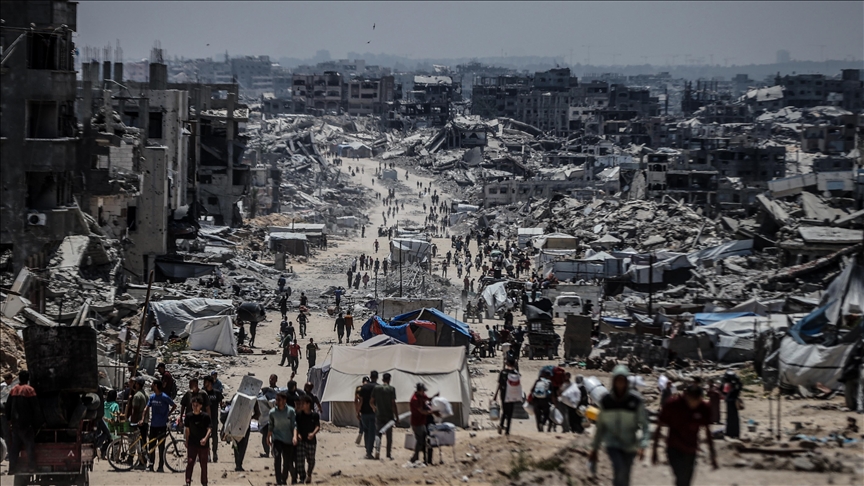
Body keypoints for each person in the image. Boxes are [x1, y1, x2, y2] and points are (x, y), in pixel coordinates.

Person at [589, 365, 650, 486]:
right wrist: (594, 448)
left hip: (630, 444)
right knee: (619, 468)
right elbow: (600, 426)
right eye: (618, 380)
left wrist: (643, 445)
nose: (620, 383)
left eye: (623, 380)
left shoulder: (635, 400)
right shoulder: (606, 401)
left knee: (625, 474)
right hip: (612, 443)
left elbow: (645, 424)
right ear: (613, 381)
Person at [652, 384, 718, 486]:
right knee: (680, 477)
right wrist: (654, 451)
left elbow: (707, 431)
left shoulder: (703, 408)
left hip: (691, 449)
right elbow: (659, 426)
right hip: (674, 447)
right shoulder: (673, 405)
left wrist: (712, 455)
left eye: (697, 400)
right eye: (692, 399)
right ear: (686, 396)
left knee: (686, 480)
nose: (694, 403)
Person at [5, 369, 38, 473]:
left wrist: (8, 420)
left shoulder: (13, 389)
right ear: (28, 379)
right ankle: (31, 467)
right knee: (29, 446)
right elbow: (35, 408)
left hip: (15, 424)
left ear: (19, 378)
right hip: (26, 424)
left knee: (15, 447)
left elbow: (7, 406)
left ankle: (12, 468)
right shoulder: (30, 390)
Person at [267, 391, 298, 486]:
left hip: (288, 439)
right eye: (276, 399)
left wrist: (295, 437)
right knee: (277, 458)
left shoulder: (291, 411)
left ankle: (284, 478)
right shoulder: (272, 412)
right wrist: (268, 437)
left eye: (279, 400)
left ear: (284, 400)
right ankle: (278, 480)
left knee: (287, 462)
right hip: (277, 439)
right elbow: (271, 426)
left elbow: (294, 425)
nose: (277, 401)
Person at [146, 380, 177, 472]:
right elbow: (147, 407)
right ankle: (151, 465)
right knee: (151, 446)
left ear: (156, 385)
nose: (151, 386)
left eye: (152, 384)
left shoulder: (164, 397)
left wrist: (168, 414)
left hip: (162, 425)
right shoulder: (152, 397)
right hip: (153, 425)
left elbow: (174, 405)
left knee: (161, 447)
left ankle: (160, 466)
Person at [184, 396, 211, 486]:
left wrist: (205, 438)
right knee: (190, 462)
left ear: (201, 406)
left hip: (203, 444)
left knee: (203, 464)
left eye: (197, 405)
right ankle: (188, 481)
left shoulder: (205, 417)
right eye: (193, 405)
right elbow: (187, 429)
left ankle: (204, 482)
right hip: (192, 443)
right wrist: (186, 441)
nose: (195, 407)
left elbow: (209, 429)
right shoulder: (189, 416)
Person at [371, 372, 398, 460]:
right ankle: (388, 454)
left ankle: (377, 450)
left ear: (382, 379)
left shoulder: (377, 388)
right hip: (389, 415)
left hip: (379, 415)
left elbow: (371, 401)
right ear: (389, 380)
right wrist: (397, 417)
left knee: (378, 434)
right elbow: (393, 404)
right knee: (389, 436)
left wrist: (374, 408)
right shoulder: (391, 389)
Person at [295, 395, 320, 484]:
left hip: (311, 441)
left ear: (308, 404)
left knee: (311, 460)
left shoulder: (314, 415)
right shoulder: (298, 415)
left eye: (303, 403)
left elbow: (317, 426)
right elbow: (296, 426)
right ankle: (302, 477)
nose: (301, 405)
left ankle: (309, 474)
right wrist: (297, 434)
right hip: (301, 441)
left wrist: (313, 433)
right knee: (300, 460)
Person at [409, 383, 435, 465]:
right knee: (420, 440)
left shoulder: (422, 396)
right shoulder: (415, 399)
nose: (424, 392)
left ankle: (423, 458)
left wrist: (434, 397)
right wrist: (431, 412)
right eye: (423, 391)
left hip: (422, 422)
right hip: (417, 422)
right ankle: (415, 457)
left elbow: (427, 399)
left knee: (423, 440)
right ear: (419, 390)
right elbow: (421, 411)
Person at [493, 359, 521, 435]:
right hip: (512, 394)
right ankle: (507, 430)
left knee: (505, 410)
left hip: (504, 393)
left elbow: (499, 384)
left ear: (507, 363)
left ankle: (501, 425)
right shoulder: (515, 373)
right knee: (510, 412)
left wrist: (495, 395)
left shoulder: (503, 372)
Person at [128, 377, 150, 469]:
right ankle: (143, 461)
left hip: (138, 422)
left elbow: (135, 411)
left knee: (134, 441)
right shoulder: (146, 394)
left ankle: (136, 460)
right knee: (143, 442)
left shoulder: (137, 396)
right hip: (145, 421)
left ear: (137, 384)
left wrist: (132, 423)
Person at [357, 370, 379, 459]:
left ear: (370, 377)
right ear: (377, 377)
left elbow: (361, 401)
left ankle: (367, 450)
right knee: (372, 433)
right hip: (374, 413)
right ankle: (369, 452)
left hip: (364, 413)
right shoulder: (378, 387)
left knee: (366, 431)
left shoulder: (364, 387)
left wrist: (358, 412)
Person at [202, 376, 223, 462]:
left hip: (214, 418)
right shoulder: (202, 393)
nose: (204, 384)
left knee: (214, 436)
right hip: (204, 419)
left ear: (210, 383)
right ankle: (207, 454)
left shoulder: (217, 393)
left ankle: (214, 453)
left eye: (206, 382)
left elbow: (221, 405)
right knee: (205, 436)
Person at [722, 371, 742, 438]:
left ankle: (732, 432)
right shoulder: (735, 385)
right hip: (732, 401)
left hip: (731, 402)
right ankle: (732, 432)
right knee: (732, 417)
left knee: (731, 418)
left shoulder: (733, 385)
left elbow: (726, 392)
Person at [354, 377, 370, 445]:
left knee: (362, 422)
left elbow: (356, 400)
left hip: (362, 408)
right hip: (369, 408)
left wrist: (357, 411)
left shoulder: (359, 388)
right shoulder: (371, 388)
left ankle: (361, 433)